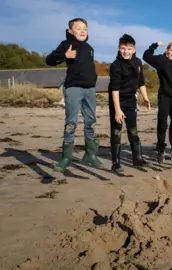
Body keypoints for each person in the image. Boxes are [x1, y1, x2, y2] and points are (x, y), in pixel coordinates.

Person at [45, 18, 101, 173]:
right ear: (70, 31)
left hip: (89, 89)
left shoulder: (90, 48)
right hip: (73, 88)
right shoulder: (66, 44)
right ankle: (66, 157)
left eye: (85, 28)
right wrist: (65, 55)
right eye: (78, 28)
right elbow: (49, 60)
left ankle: (90, 155)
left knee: (91, 121)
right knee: (71, 122)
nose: (83, 31)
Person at [108, 34, 151, 174]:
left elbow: (141, 82)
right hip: (117, 101)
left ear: (134, 49)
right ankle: (116, 163)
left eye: (129, 48)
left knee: (133, 130)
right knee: (116, 131)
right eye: (123, 48)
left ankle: (137, 158)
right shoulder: (115, 65)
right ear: (119, 48)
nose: (125, 51)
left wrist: (145, 98)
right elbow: (114, 89)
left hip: (131, 101)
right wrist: (117, 110)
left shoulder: (138, 62)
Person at [143, 40, 172, 163]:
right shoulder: (161, 60)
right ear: (167, 50)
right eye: (171, 50)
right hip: (164, 96)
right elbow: (146, 56)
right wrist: (154, 45)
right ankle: (160, 150)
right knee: (162, 124)